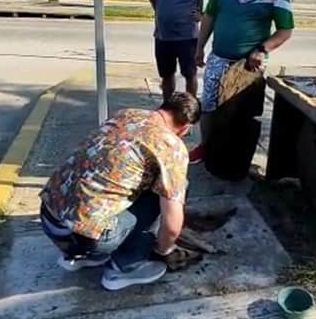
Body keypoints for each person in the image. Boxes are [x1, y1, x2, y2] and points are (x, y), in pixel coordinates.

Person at [39, 93, 200, 291]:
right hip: (88, 237)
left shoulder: (125, 114)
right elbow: (172, 225)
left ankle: (82, 256)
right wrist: (163, 248)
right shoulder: (171, 146)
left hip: (50, 220)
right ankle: (124, 268)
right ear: (185, 129)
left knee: (109, 188)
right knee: (166, 192)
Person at [190, 0, 295, 163]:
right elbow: (210, 16)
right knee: (209, 106)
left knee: (244, 114)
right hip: (219, 58)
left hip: (248, 65)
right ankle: (206, 146)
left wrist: (261, 49)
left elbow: (285, 30)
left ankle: (237, 156)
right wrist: (199, 47)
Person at [148, 0, 214, 101]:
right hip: (163, 37)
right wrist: (158, 9)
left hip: (188, 38)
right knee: (167, 75)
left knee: (190, 75)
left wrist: (203, 16)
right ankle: (167, 108)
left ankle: (190, 109)